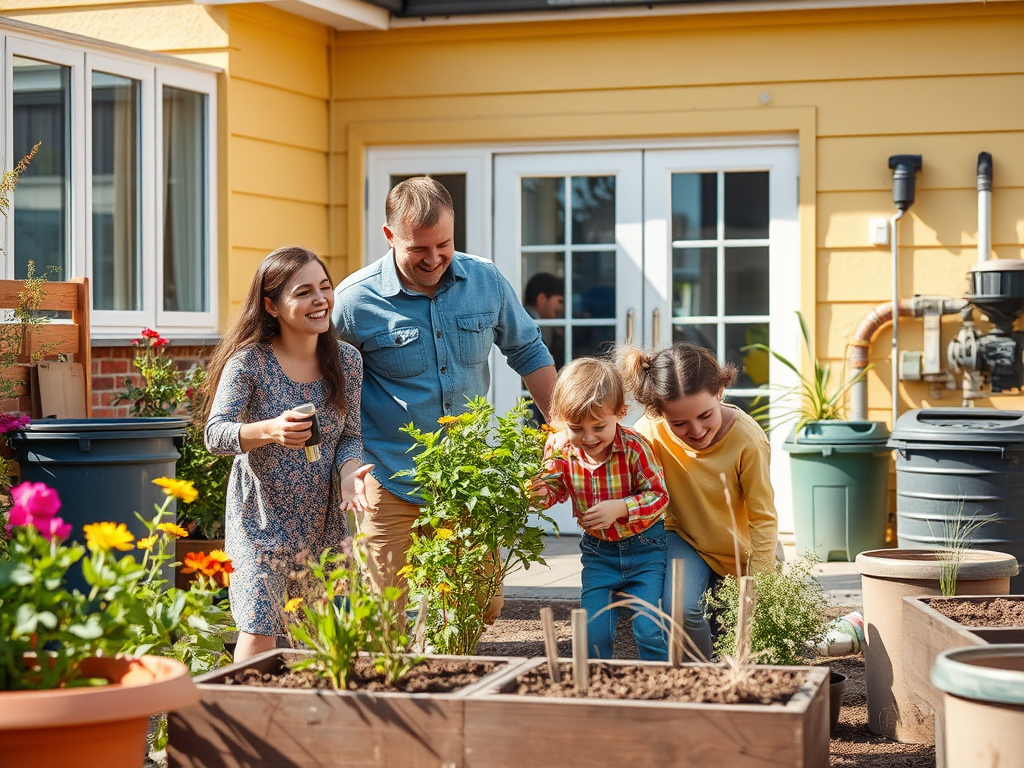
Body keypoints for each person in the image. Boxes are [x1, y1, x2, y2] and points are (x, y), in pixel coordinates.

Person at [332, 177, 557, 621]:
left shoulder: (485, 280)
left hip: (466, 480)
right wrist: (342, 462)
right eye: (419, 249)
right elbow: (326, 385)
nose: (434, 259)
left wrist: (562, 430)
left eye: (445, 244)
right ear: (389, 236)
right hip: (390, 474)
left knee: (480, 608)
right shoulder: (354, 301)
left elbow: (528, 351)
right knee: (387, 617)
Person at [204, 246, 370, 662]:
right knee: (260, 628)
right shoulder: (248, 363)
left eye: (325, 287)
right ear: (271, 305)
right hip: (261, 521)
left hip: (324, 521)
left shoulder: (346, 361)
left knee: (323, 637)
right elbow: (215, 433)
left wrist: (350, 475)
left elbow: (350, 436)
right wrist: (270, 430)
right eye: (304, 292)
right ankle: (243, 717)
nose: (320, 300)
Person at [619, 342, 778, 660]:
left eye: (705, 415)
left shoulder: (748, 440)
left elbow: (762, 518)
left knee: (739, 635)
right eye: (679, 423)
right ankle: (700, 683)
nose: (696, 430)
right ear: (658, 412)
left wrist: (759, 581)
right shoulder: (650, 432)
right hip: (686, 538)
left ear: (720, 392)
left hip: (741, 548)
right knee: (681, 607)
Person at [533, 357, 669, 661]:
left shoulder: (635, 447)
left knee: (649, 626)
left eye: (599, 426)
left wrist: (621, 507)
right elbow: (554, 487)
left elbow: (659, 496)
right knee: (593, 630)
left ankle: (663, 682)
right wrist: (540, 493)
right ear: (561, 420)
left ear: (620, 413)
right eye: (577, 428)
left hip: (645, 548)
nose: (589, 437)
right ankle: (596, 683)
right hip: (598, 552)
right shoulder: (562, 448)